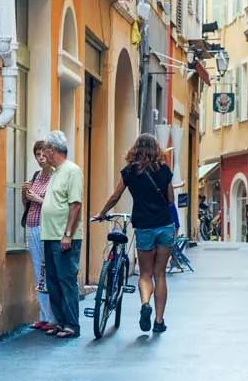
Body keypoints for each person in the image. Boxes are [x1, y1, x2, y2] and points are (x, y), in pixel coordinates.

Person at [96, 133, 175, 334]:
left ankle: (145, 303)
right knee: (160, 274)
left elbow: (116, 196)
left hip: (144, 227)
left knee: (145, 273)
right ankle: (159, 321)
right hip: (165, 225)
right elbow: (171, 200)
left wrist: (102, 213)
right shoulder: (164, 169)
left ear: (135, 149)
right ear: (157, 150)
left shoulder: (130, 172)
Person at [39, 131, 85, 339]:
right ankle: (60, 321)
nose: (43, 154)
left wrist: (68, 234)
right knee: (53, 280)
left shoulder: (72, 171)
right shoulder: (56, 172)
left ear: (53, 150)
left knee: (66, 280)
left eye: (45, 150)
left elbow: (75, 204)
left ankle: (72, 325)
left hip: (64, 237)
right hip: (50, 235)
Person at [20, 140, 55, 331]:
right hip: (32, 225)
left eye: (43, 155)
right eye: (37, 155)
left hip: (46, 227)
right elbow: (26, 204)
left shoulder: (55, 177)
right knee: (38, 271)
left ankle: (53, 317)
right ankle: (43, 314)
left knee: (47, 270)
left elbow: (56, 204)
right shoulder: (36, 175)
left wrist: (38, 199)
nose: (40, 159)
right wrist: (25, 194)